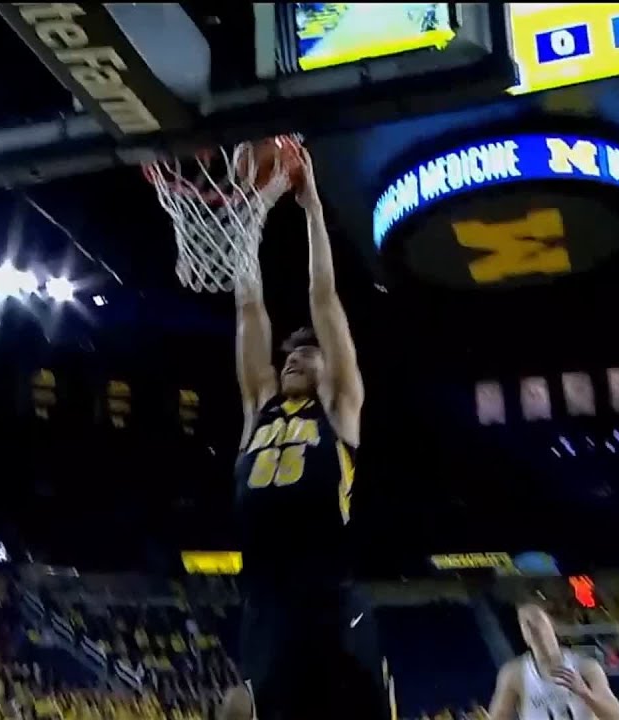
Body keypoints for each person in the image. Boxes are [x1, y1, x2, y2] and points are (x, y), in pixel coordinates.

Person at [218, 145, 385, 720]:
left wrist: (311, 207)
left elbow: (324, 300)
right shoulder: (258, 406)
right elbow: (248, 307)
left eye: (308, 353)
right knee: (240, 707)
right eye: (290, 354)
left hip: (328, 597)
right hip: (263, 598)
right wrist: (248, 214)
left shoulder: (339, 406)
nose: (295, 357)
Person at [487, 603, 619, 720]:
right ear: (523, 635)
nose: (533, 626)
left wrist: (585, 693)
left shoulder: (586, 666)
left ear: (552, 625)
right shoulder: (513, 673)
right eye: (525, 623)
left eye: (538, 620)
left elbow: (617, 717)